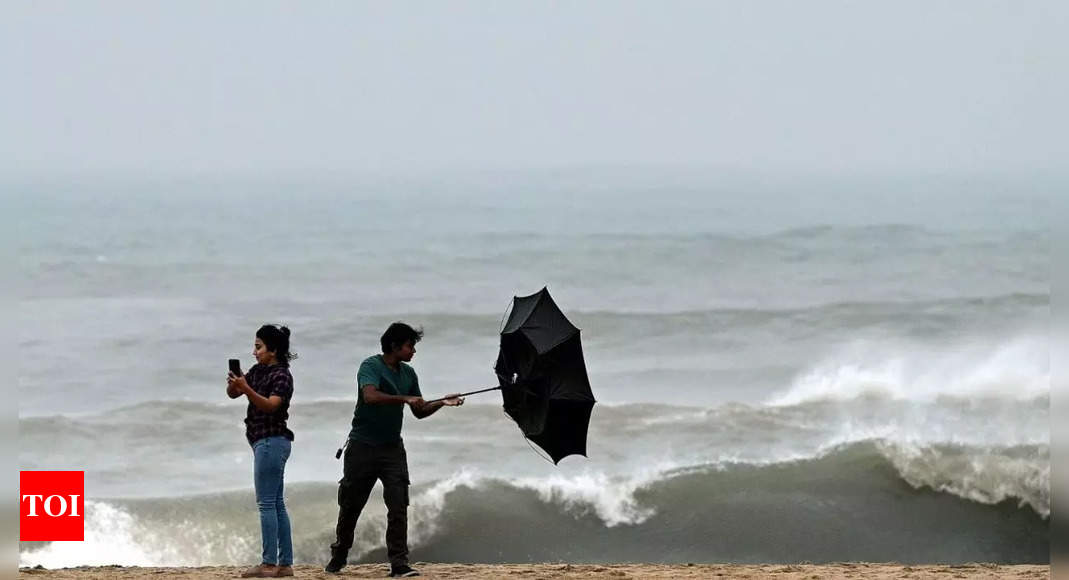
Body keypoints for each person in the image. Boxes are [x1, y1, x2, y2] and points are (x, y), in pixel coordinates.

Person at [325, 322, 464, 578]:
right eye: (410, 346)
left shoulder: (408, 374)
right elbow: (370, 396)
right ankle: (339, 555)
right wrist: (404, 398)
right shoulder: (370, 366)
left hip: (392, 449)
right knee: (351, 506)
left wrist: (442, 402)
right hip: (362, 447)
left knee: (398, 506)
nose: (414, 351)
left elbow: (419, 411)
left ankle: (399, 564)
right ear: (394, 346)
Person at [227, 325, 297, 578]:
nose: (254, 352)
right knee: (276, 503)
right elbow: (233, 394)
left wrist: (246, 389)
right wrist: (237, 384)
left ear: (273, 350)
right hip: (264, 442)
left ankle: (269, 563)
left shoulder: (282, 376)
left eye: (259, 347)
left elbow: (270, 406)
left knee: (266, 503)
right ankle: (285, 564)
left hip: (272, 441)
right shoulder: (257, 371)